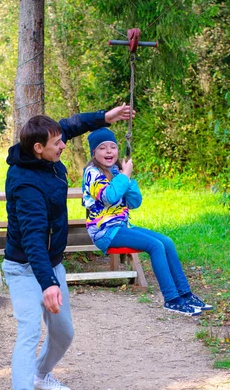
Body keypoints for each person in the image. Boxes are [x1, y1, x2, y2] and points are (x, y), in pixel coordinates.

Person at [3, 105, 131, 390]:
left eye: (61, 140)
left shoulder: (43, 146)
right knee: (30, 329)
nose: (63, 146)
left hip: (52, 264)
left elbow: (71, 126)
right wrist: (47, 284)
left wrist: (106, 117)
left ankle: (41, 374)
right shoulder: (26, 185)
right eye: (57, 143)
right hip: (24, 268)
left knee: (64, 333)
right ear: (38, 149)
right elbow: (32, 241)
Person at [82, 127, 213, 317]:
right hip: (104, 231)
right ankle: (172, 299)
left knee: (166, 242)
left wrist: (126, 178)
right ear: (94, 152)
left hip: (121, 227)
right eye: (102, 148)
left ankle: (185, 295)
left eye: (113, 147)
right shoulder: (92, 173)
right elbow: (109, 196)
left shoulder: (117, 171)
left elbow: (135, 202)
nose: (109, 151)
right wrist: (124, 177)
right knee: (155, 245)